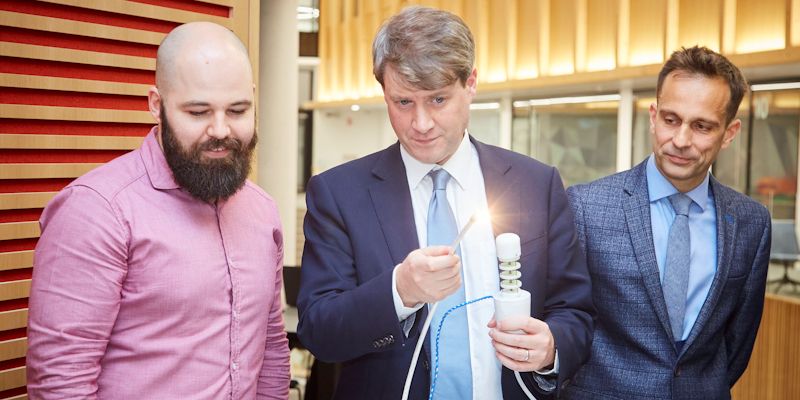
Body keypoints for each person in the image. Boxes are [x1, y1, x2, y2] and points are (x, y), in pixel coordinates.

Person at [297, 6, 594, 399]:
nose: (421, 124)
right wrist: (398, 291)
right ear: (383, 91)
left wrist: (552, 347)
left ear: (470, 83)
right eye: (403, 102)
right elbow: (319, 332)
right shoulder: (339, 194)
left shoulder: (536, 184)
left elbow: (575, 312)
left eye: (438, 99)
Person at [26, 22, 290, 399]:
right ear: (156, 105)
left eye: (237, 110)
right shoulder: (97, 211)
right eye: (198, 112)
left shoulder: (262, 210)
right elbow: (61, 380)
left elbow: (271, 349)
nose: (220, 129)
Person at [565, 46, 771, 399]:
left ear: (730, 133)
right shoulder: (586, 206)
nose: (680, 140)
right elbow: (566, 321)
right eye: (671, 120)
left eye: (702, 126)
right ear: (653, 115)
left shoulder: (752, 222)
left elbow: (737, 345)